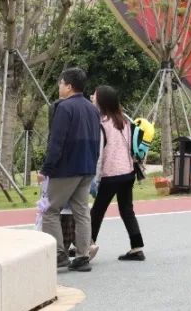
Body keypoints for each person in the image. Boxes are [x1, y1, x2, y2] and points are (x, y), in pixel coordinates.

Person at [39, 68, 102, 272]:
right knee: (82, 211)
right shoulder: (93, 109)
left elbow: (57, 142)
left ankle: (59, 253)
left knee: (50, 209)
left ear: (68, 86)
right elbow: (97, 140)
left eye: (60, 83)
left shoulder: (64, 108)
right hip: (87, 167)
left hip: (66, 168)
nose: (59, 87)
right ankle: (83, 255)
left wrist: (46, 168)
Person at [89, 86, 145, 262]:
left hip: (110, 173)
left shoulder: (101, 124)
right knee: (127, 210)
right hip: (127, 173)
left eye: (94, 96)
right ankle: (137, 247)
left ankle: (87, 246)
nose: (92, 97)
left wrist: (95, 179)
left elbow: (99, 155)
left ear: (101, 101)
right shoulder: (124, 122)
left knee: (97, 211)